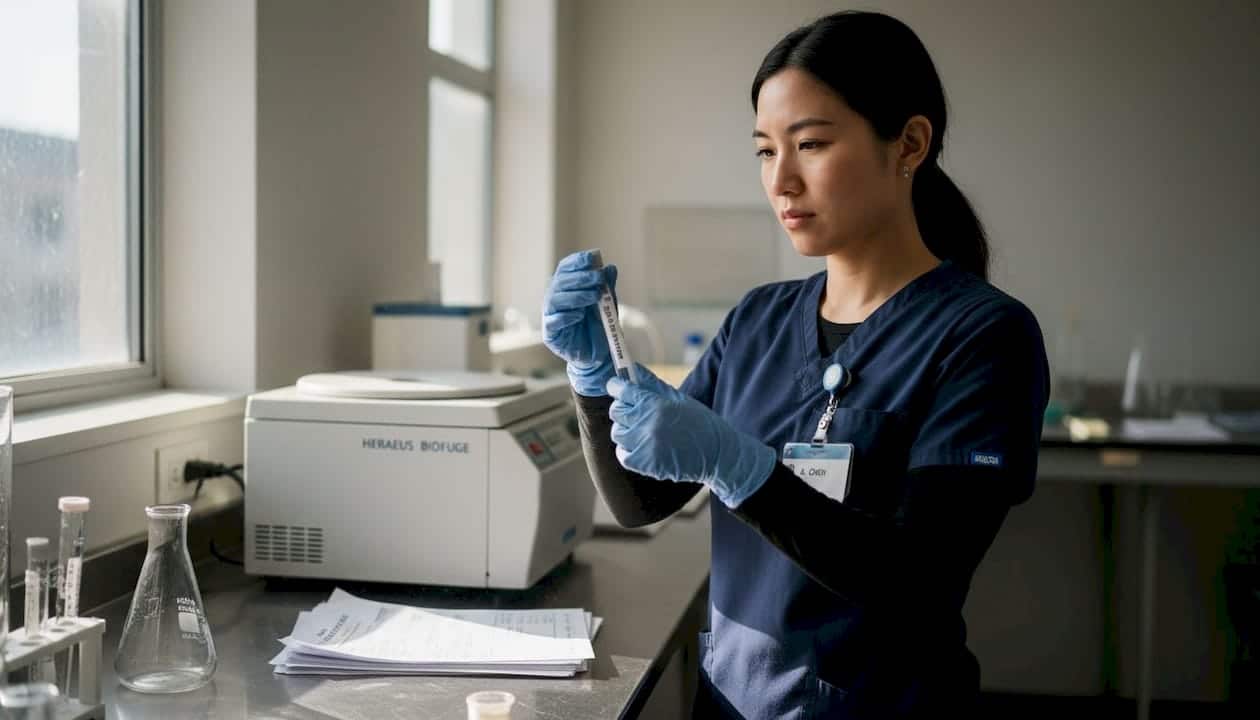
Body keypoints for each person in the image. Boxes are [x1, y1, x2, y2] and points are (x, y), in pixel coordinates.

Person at [542, 9, 1049, 719]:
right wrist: (593, 379)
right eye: (763, 151)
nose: (781, 181)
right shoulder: (759, 319)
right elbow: (641, 499)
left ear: (908, 143)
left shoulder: (983, 337)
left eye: (809, 144)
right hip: (733, 702)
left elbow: (917, 579)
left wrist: (742, 467)